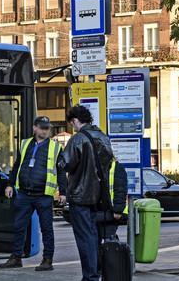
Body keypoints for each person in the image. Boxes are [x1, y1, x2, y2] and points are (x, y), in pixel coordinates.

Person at [0, 116, 67, 271]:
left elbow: (61, 171)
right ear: (34, 128)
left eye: (47, 128)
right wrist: (10, 184)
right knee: (19, 227)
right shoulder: (25, 144)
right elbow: (17, 165)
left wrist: (63, 192)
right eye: (42, 127)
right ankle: (16, 257)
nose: (45, 130)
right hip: (24, 194)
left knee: (47, 228)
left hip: (43, 195)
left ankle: (47, 260)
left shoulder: (55, 147)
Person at [58, 105, 114, 281]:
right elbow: (108, 163)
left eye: (72, 124)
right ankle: (95, 271)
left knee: (84, 237)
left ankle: (90, 276)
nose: (72, 127)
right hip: (97, 196)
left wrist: (60, 161)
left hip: (80, 195)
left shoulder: (78, 139)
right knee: (93, 235)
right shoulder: (103, 137)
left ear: (75, 120)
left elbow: (66, 163)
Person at [97, 158, 128, 242]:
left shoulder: (117, 167)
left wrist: (118, 210)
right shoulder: (97, 166)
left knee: (108, 242)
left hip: (111, 213)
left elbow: (120, 190)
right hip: (99, 212)